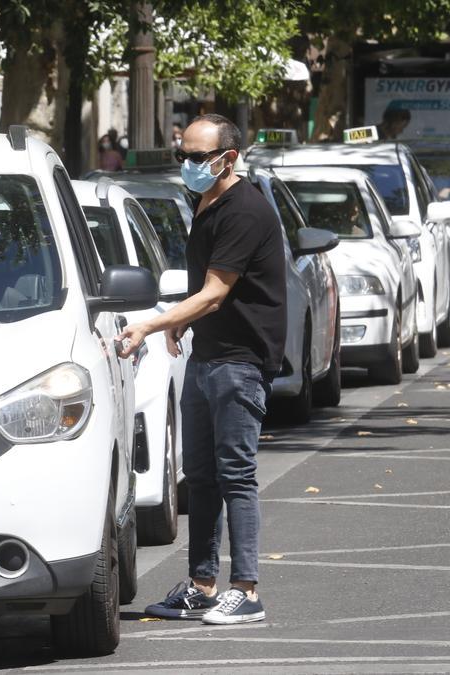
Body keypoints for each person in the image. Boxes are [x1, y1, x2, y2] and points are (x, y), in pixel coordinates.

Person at [116, 113, 286, 625]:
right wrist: (180, 324)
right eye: (181, 155)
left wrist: (152, 323)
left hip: (240, 361)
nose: (186, 165)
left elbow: (215, 293)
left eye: (195, 157)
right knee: (203, 479)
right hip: (208, 356)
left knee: (236, 476)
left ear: (227, 159)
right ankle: (202, 585)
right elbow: (203, 293)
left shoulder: (245, 209)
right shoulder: (206, 202)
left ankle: (247, 590)